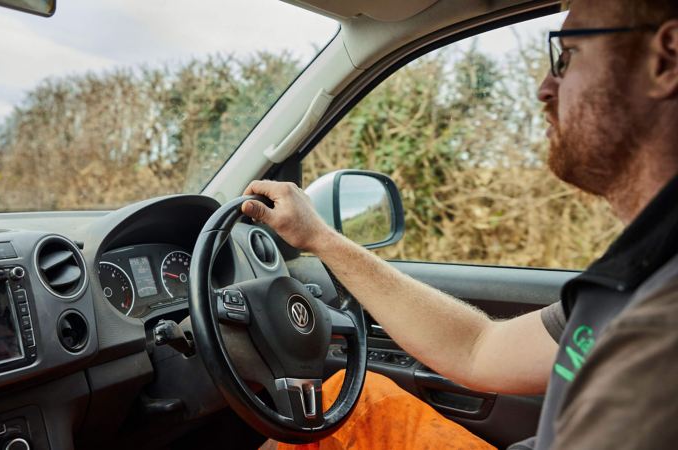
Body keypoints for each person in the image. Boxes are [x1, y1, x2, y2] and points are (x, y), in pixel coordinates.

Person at [243, 0, 678, 448]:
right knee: (354, 405)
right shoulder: (637, 272)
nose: (545, 88)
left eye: (566, 58)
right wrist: (320, 238)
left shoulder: (661, 321)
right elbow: (478, 347)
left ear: (665, 59)